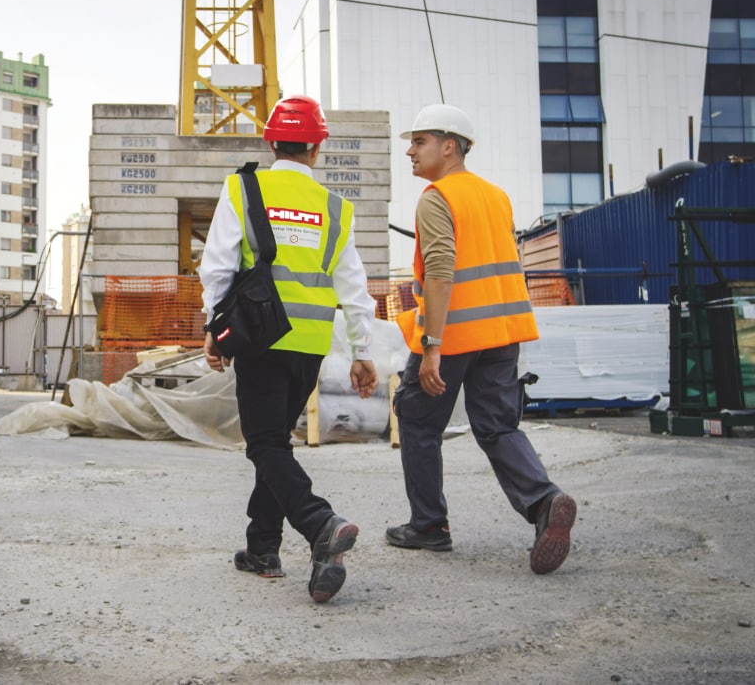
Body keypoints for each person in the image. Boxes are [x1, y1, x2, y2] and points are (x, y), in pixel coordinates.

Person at [200, 95, 379, 604]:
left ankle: (319, 523)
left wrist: (215, 328)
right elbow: (354, 287)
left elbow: (217, 266)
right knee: (275, 438)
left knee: (264, 443)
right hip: (310, 343)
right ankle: (262, 549)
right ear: (317, 148)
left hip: (260, 336)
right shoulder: (336, 209)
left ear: (271, 141)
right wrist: (362, 351)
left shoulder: (244, 187)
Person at [388, 103, 577, 575]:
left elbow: (440, 271)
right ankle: (543, 502)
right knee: (497, 427)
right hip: (502, 334)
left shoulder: (437, 197)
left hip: (453, 335)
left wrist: (431, 345)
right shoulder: (496, 196)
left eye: (419, 141)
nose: (410, 151)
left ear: (449, 146)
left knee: (417, 420)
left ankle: (429, 526)